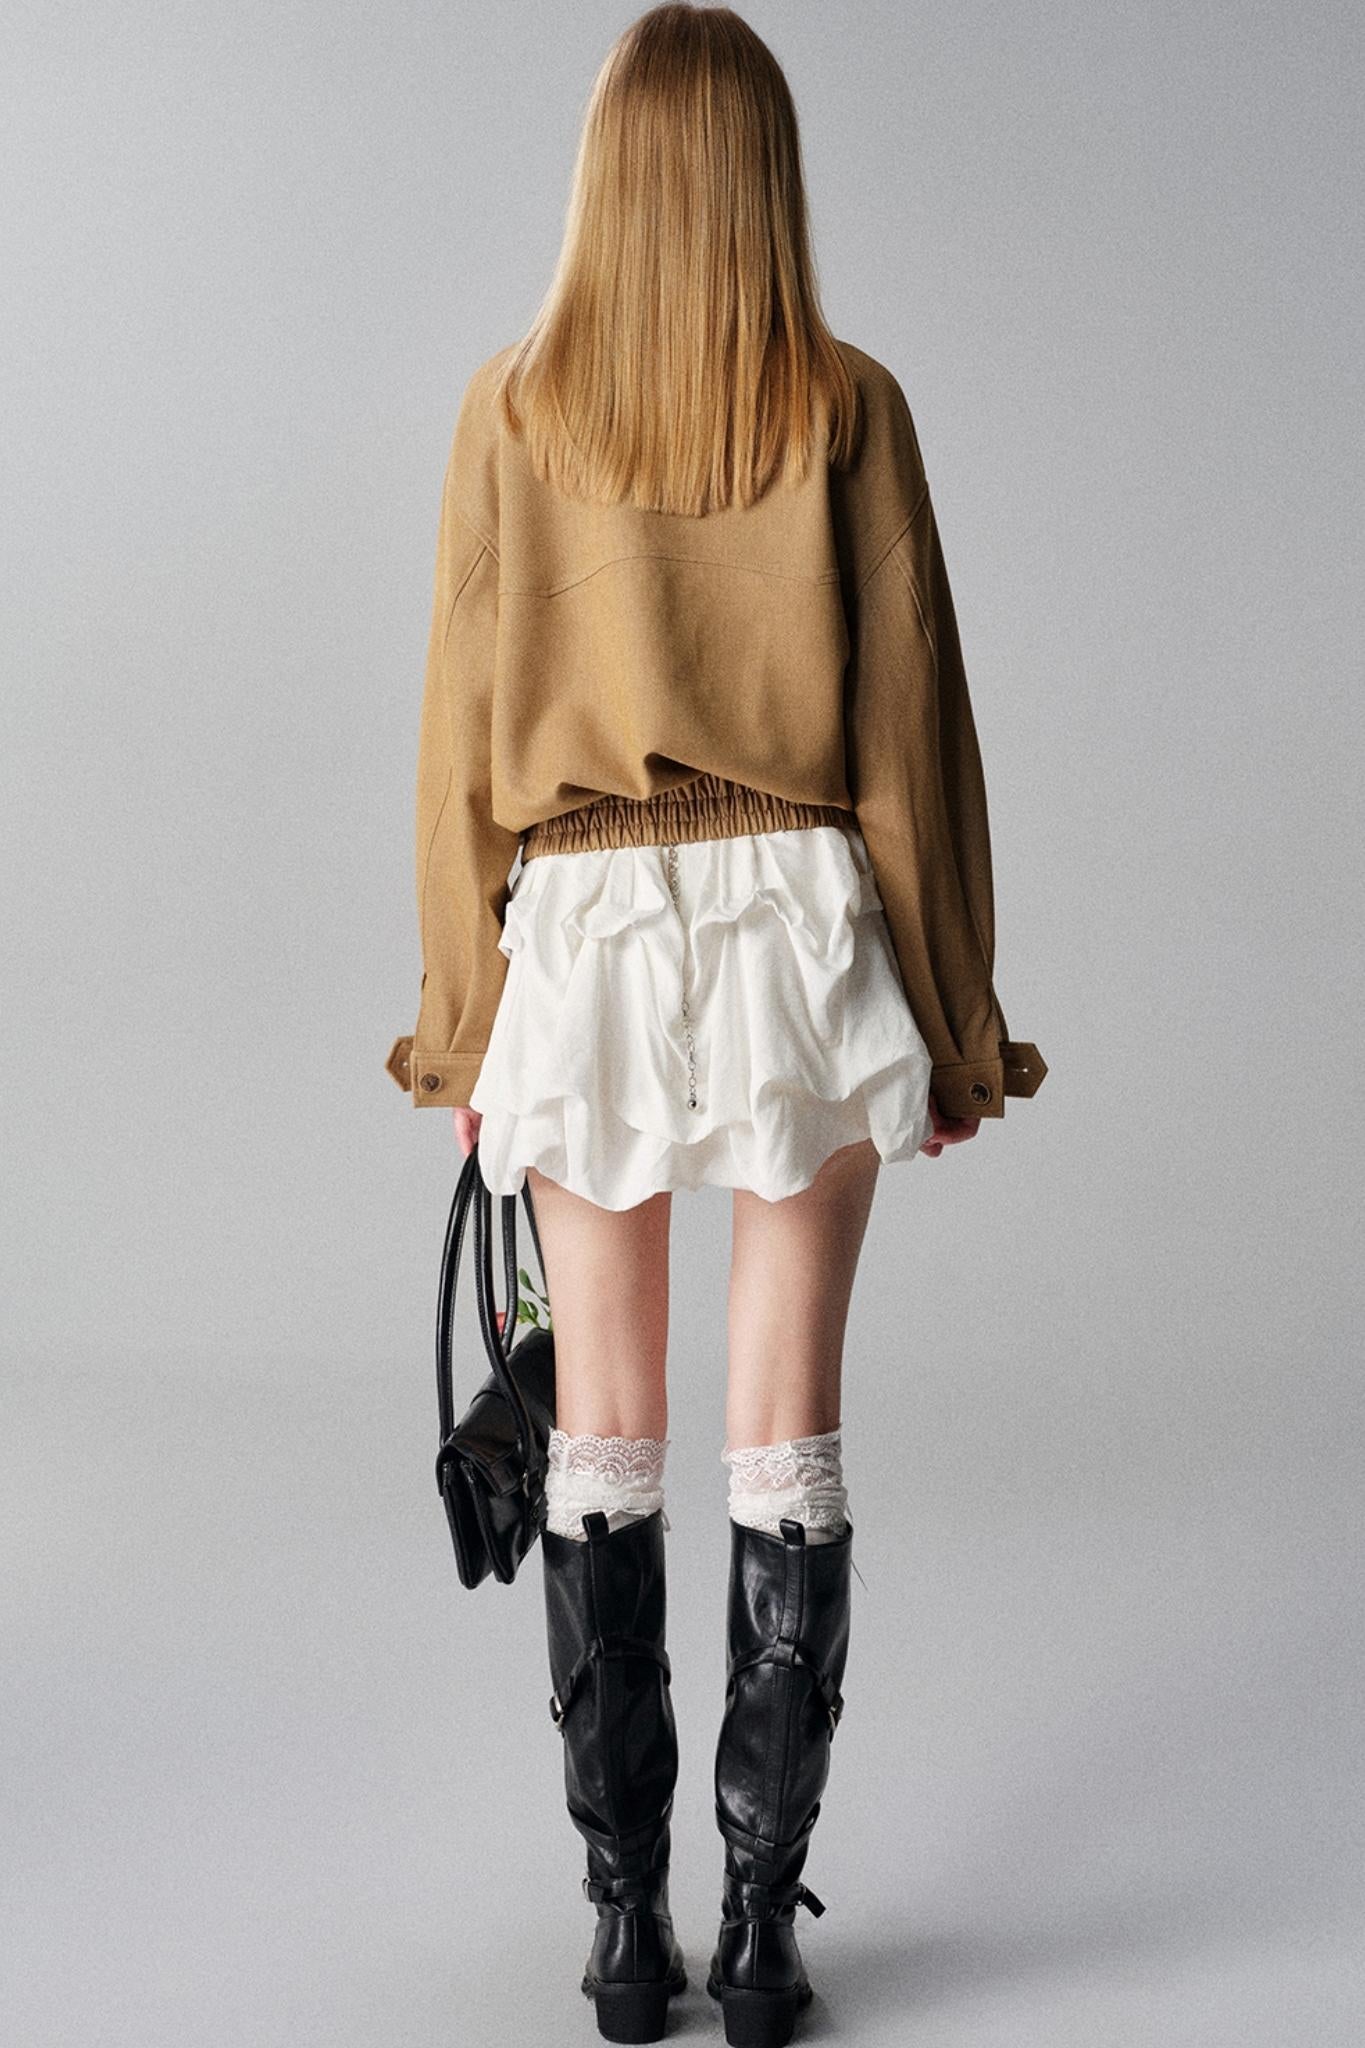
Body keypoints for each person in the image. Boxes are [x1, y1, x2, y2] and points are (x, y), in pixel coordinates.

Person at [384, 7, 1048, 2042]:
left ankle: (622, 1931)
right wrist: (949, 1021)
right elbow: (910, 736)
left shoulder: (510, 412)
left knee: (600, 1427)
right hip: (793, 916)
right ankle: (757, 1937)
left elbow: (461, 742)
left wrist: (463, 1026)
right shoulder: (846, 405)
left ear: (606, 176)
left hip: (581, 921)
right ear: (766, 177)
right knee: (788, 1426)